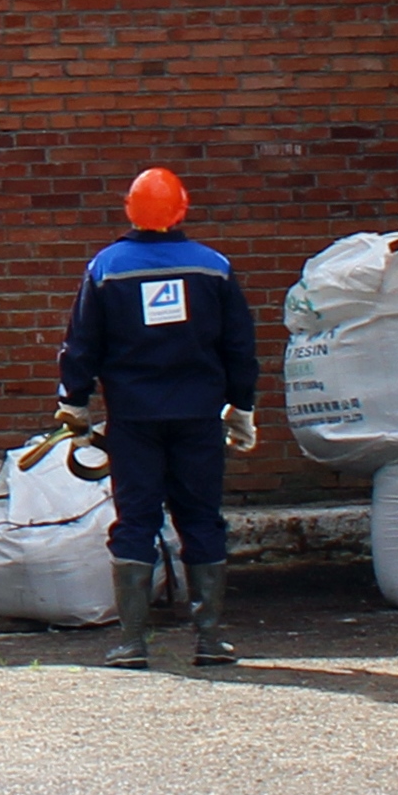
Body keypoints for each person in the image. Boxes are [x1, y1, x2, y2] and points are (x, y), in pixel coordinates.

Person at [54, 166, 258, 670]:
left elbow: (83, 343)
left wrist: (74, 401)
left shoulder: (107, 268)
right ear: (182, 209)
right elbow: (239, 345)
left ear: (130, 209)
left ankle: (131, 643)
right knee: (201, 517)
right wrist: (243, 405)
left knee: (136, 520)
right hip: (198, 418)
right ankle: (210, 639)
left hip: (134, 420)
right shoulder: (213, 268)